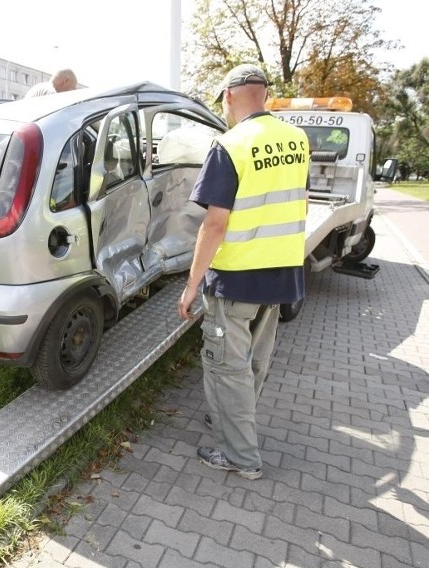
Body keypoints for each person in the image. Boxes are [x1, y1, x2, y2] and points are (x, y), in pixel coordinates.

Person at [177, 64, 310, 480]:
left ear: (229, 96)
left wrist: (191, 285)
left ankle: (241, 457)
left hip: (236, 278)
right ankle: (229, 422)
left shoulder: (230, 144)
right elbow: (299, 203)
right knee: (254, 360)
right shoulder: (297, 139)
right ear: (264, 95)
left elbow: (214, 225)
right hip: (281, 275)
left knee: (225, 365)